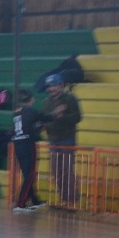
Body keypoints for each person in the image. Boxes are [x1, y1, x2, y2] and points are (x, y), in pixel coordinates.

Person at [10, 88, 55, 212]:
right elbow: (47, 117)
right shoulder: (30, 111)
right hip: (27, 145)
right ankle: (21, 203)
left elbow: (23, 128)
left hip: (18, 145)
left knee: (27, 174)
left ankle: (34, 200)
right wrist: (57, 113)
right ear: (31, 99)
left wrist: (37, 129)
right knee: (30, 174)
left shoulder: (16, 112)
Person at [42, 73, 82, 208]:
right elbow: (46, 119)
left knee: (66, 171)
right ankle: (64, 199)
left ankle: (72, 201)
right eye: (50, 86)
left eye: (54, 85)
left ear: (61, 85)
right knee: (56, 171)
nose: (51, 89)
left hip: (67, 140)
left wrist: (61, 117)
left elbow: (77, 117)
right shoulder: (47, 102)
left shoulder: (70, 99)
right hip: (53, 140)